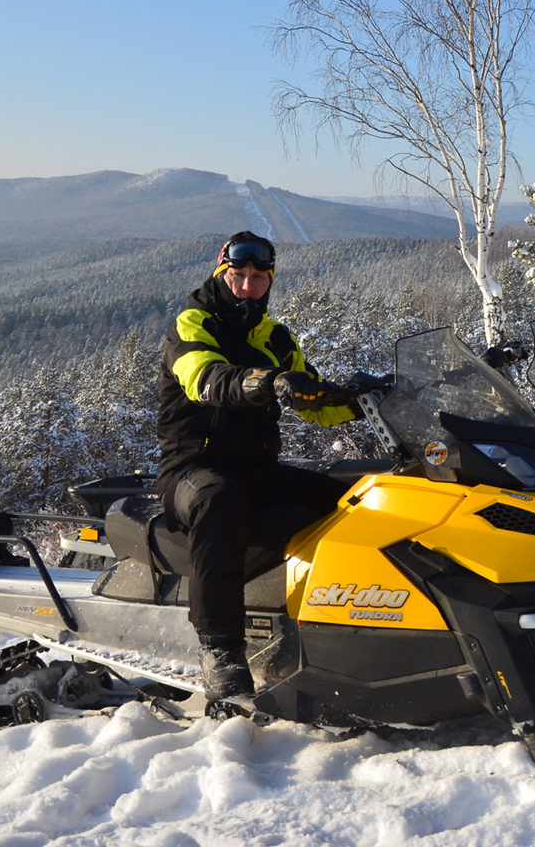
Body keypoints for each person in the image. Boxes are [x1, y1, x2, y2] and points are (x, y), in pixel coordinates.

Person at [156, 230, 356, 714]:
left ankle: (348, 618)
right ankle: (220, 650)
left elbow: (314, 403)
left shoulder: (275, 337)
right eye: (238, 275)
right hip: (192, 470)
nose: (247, 286)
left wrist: (364, 398)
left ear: (269, 281)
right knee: (218, 500)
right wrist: (265, 382)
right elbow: (204, 377)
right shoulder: (192, 324)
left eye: (258, 278)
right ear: (221, 271)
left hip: (254, 468)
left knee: (350, 496)